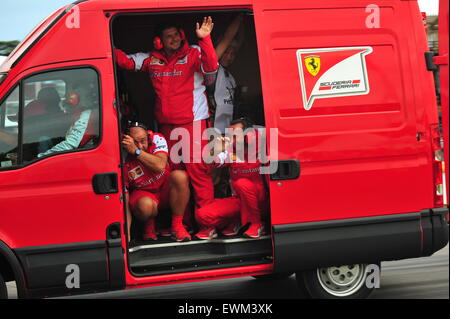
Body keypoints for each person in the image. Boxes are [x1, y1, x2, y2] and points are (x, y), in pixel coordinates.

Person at [114, 17, 219, 211]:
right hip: (166, 126)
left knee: (198, 172)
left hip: (193, 123)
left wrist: (205, 39)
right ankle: (184, 222)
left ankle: (207, 221)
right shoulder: (151, 59)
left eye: (176, 35)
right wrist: (99, 40)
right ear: (159, 41)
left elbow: (211, 66)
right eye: (168, 37)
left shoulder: (194, 52)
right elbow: (125, 62)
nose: (174, 39)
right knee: (174, 175)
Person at [195, 118, 268, 239]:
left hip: (263, 200)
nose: (231, 139)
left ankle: (256, 224)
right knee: (202, 215)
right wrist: (217, 149)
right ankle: (237, 221)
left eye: (235, 135)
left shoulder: (264, 145)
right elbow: (211, 161)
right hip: (240, 201)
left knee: (242, 183)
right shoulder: (231, 151)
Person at [123, 122, 191, 242]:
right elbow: (125, 198)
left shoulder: (157, 138)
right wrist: (126, 233)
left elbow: (160, 165)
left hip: (165, 189)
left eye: (142, 141)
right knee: (145, 206)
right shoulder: (122, 156)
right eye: (135, 142)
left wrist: (136, 152)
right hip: (144, 194)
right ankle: (149, 225)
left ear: (148, 137)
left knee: (180, 176)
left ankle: (177, 225)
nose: (140, 146)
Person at [37, 82, 98, 158]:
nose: (67, 99)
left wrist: (42, 157)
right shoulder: (78, 113)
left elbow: (71, 144)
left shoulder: (85, 115)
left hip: (79, 156)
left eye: (70, 98)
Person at [212, 14, 244, 133]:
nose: (229, 57)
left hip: (226, 131)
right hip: (211, 131)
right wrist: (239, 17)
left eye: (233, 54)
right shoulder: (213, 68)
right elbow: (228, 38)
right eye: (226, 52)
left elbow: (239, 41)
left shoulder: (230, 77)